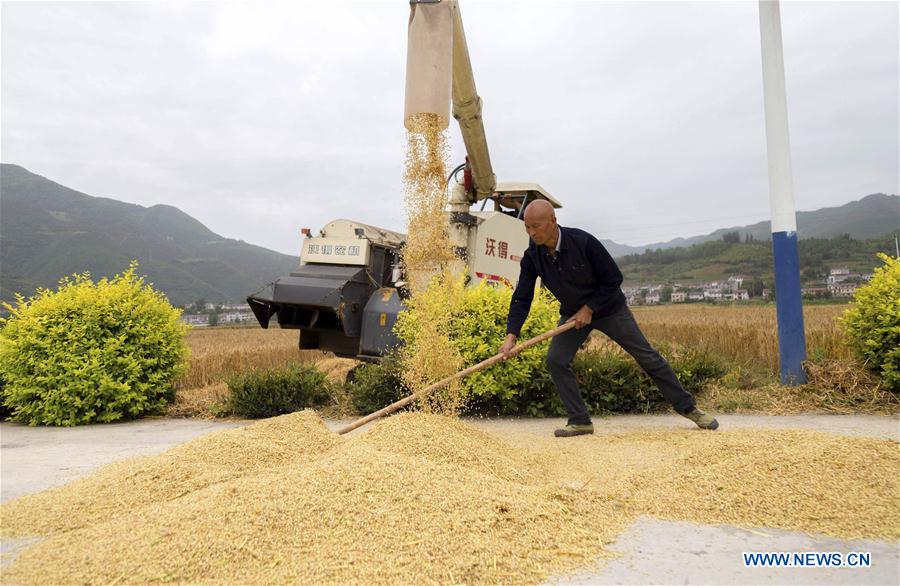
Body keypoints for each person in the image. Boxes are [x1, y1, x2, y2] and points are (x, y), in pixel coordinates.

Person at [497, 199, 719, 437]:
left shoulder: (583, 242)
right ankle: (580, 420)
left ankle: (689, 409)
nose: (531, 233)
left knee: (647, 356)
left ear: (553, 221)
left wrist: (589, 308)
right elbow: (522, 297)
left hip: (610, 309)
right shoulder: (533, 256)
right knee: (556, 360)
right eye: (527, 227)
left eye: (536, 226)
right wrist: (511, 336)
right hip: (573, 315)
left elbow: (613, 278)